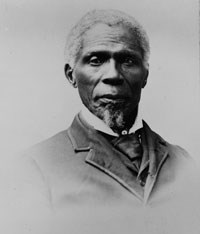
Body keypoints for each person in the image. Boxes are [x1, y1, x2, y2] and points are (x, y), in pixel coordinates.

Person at [15, 9, 200, 234]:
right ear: (71, 75)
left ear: (146, 75)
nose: (113, 75)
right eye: (96, 60)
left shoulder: (183, 163)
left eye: (128, 60)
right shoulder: (35, 167)